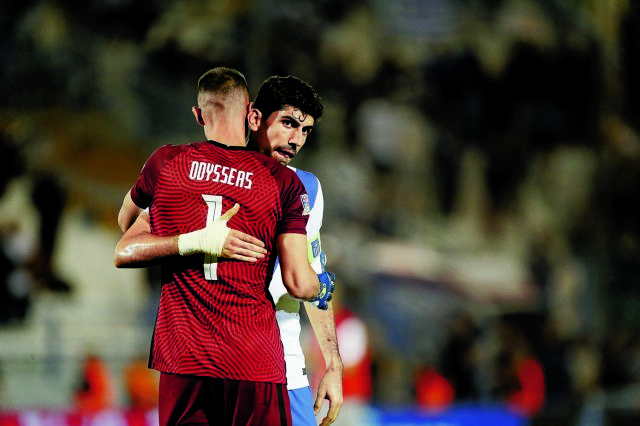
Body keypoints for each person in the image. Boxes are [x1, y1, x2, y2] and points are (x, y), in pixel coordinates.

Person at [117, 72, 343, 425]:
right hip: (223, 360)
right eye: (288, 123)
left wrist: (332, 364)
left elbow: (308, 272)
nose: (296, 139)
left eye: (305, 131)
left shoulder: (305, 188)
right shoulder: (197, 175)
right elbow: (309, 283)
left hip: (280, 364)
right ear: (254, 117)